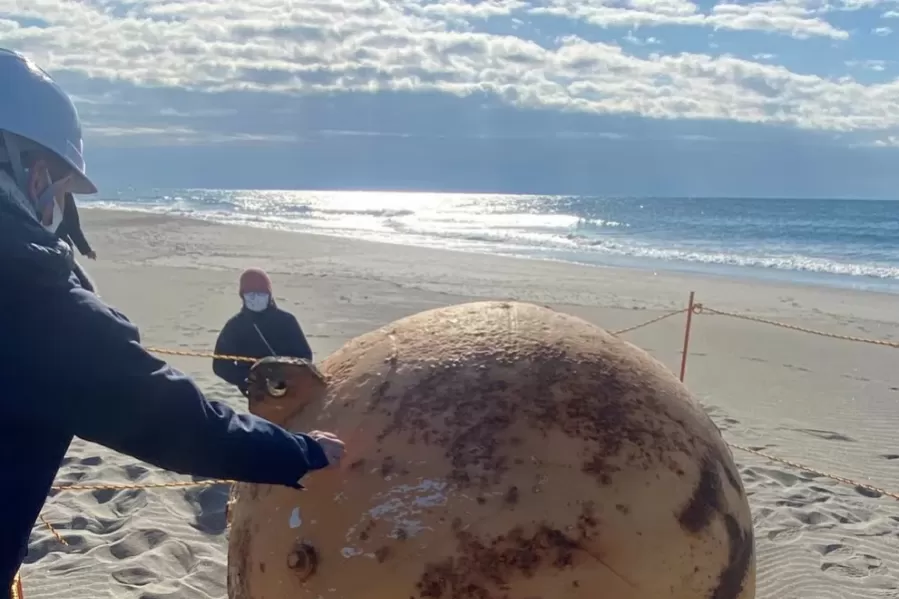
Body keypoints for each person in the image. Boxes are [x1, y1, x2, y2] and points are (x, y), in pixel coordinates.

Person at [0, 47, 346, 594]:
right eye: (62, 191)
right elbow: (158, 412)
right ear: (33, 170)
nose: (59, 210)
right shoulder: (26, 292)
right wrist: (299, 452)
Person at [213, 268, 314, 396]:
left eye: (261, 294)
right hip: (258, 395)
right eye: (250, 294)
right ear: (242, 296)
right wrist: (249, 379)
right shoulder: (235, 326)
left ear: (269, 295)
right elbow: (220, 365)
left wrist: (286, 376)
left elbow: (305, 356)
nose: (256, 298)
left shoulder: (286, 321)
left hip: (291, 389)